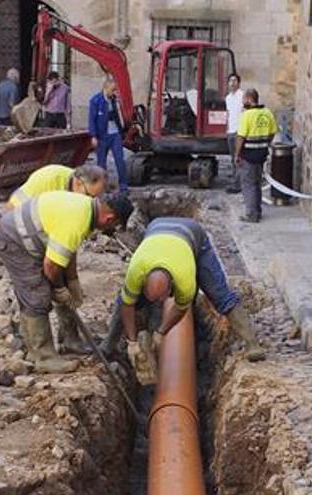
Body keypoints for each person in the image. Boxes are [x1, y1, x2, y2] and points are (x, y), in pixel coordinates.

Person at [0, 191, 134, 372]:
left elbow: (68, 251)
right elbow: (51, 265)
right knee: (37, 294)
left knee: (58, 284)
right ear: (110, 219)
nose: (110, 230)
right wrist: (59, 288)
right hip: (13, 240)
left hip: (28, 236)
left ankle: (70, 341)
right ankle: (43, 358)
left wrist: (72, 280)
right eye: (114, 226)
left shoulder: (88, 210)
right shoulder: (78, 219)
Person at [103, 217, 265, 370]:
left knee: (220, 295)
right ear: (143, 282)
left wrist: (161, 332)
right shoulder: (136, 270)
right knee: (123, 299)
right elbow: (127, 304)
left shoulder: (184, 277)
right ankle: (108, 347)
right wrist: (132, 342)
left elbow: (180, 308)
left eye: (162, 299)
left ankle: (252, 344)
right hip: (156, 231)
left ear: (170, 288)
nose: (159, 303)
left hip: (193, 235)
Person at [234, 88, 277, 223]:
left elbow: (241, 137)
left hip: (248, 155)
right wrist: (265, 143)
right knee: (257, 183)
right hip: (261, 153)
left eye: (243, 99)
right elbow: (272, 132)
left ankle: (251, 214)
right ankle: (257, 210)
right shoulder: (267, 113)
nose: (243, 102)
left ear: (249, 99)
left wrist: (237, 154)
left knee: (248, 184)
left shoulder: (247, 115)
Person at [88, 76, 128, 192]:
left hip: (115, 134)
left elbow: (118, 115)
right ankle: (102, 186)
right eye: (113, 90)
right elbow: (92, 119)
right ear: (106, 88)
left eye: (115, 90)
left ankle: (123, 185)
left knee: (120, 159)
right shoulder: (95, 101)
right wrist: (93, 136)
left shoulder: (114, 100)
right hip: (102, 135)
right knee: (101, 162)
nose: (114, 92)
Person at [7, 164, 108, 209]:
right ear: (78, 183)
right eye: (89, 195)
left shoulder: (76, 184)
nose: (90, 200)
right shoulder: (50, 179)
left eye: (94, 198)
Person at [224, 73, 244, 194]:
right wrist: (227, 128)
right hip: (231, 131)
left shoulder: (242, 95)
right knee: (233, 158)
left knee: (238, 158)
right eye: (230, 81)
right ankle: (235, 181)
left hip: (239, 131)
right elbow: (228, 113)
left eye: (235, 80)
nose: (232, 83)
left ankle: (238, 185)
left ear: (238, 82)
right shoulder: (228, 98)